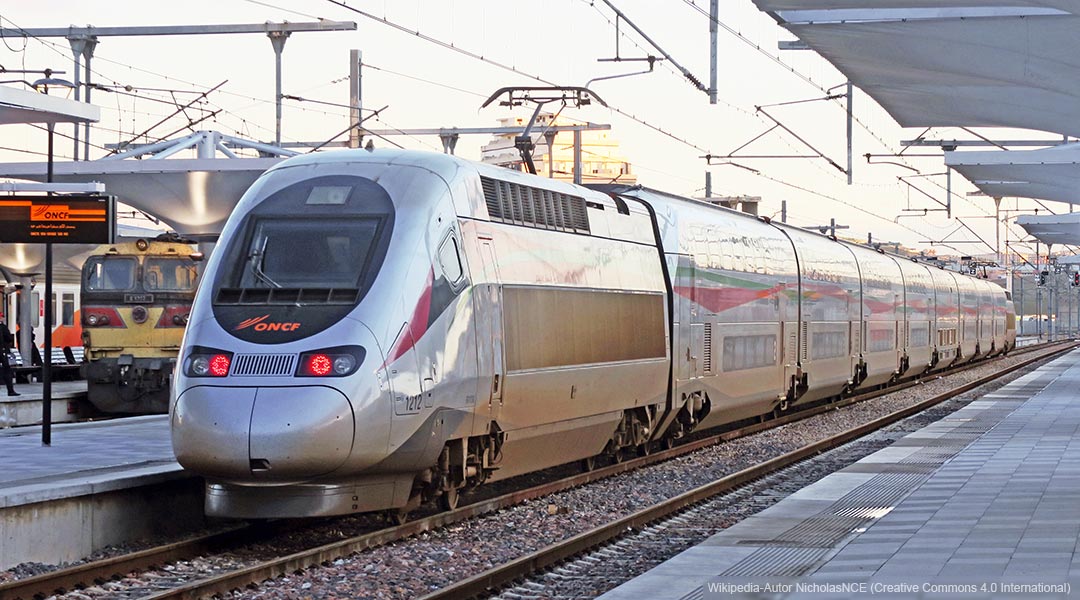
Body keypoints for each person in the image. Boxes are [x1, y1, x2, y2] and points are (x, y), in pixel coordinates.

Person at [0, 319, 19, 396]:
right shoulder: (2, 327)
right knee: (7, 370)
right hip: (2, 351)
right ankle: (10, 390)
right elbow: (9, 338)